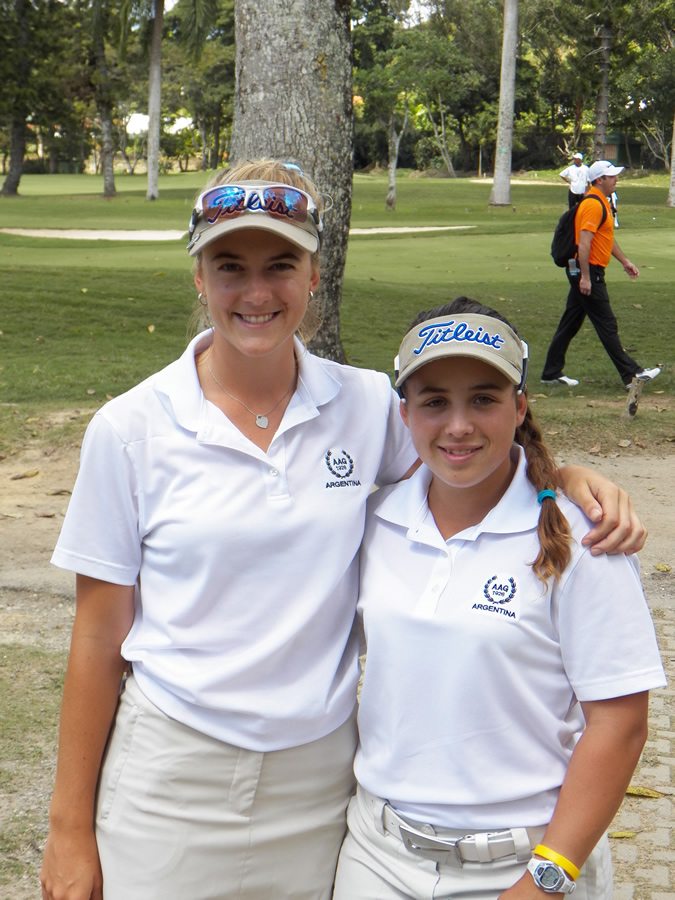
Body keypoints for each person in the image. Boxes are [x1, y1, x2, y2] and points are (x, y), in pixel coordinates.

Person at [40, 160, 647, 900]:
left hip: (322, 779)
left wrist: (563, 481)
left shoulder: (364, 405)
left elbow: (471, 457)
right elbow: (98, 637)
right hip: (172, 769)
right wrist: (68, 827)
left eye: (280, 265)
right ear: (199, 276)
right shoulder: (130, 429)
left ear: (313, 275)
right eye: (230, 267)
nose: (256, 292)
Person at [333, 297, 666, 900]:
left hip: (525, 866)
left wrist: (547, 876)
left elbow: (619, 724)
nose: (459, 425)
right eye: (435, 402)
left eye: (484, 399)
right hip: (378, 858)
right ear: (405, 414)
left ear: (520, 406)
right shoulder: (375, 520)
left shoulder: (580, 538)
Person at [541, 160, 660, 389]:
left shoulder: (602, 202)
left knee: (570, 322)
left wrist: (624, 261)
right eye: (611, 176)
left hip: (585, 269)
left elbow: (605, 238)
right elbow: (584, 243)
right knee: (606, 323)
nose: (616, 179)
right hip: (588, 270)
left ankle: (550, 372)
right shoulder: (593, 205)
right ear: (599, 180)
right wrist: (585, 277)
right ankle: (632, 374)